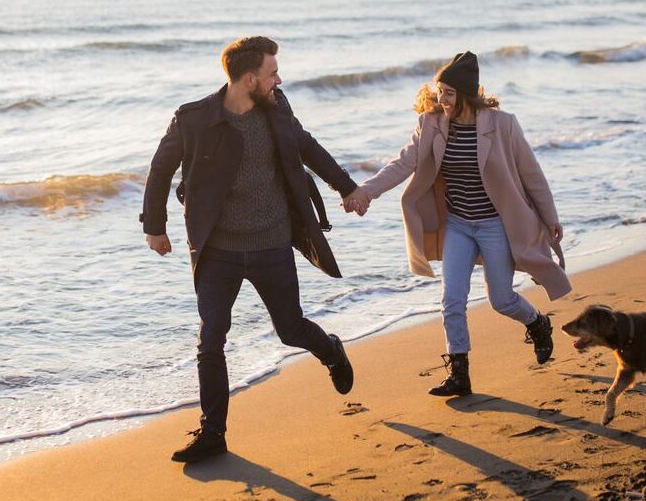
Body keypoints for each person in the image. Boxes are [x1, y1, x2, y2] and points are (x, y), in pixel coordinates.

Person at [141, 36, 359, 463]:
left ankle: (331, 350)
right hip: (217, 250)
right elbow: (160, 168)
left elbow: (309, 147)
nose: (278, 79)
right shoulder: (194, 120)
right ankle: (213, 433)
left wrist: (348, 189)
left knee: (291, 328)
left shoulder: (276, 109)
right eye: (271, 73)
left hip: (271, 242)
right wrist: (155, 227)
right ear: (247, 79)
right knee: (211, 339)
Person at [342, 51, 570, 396]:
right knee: (452, 299)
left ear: (466, 94)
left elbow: (530, 174)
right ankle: (459, 374)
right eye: (439, 91)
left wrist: (550, 216)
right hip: (458, 224)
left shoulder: (502, 124)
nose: (441, 99)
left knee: (502, 300)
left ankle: (538, 323)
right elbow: (402, 164)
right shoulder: (431, 123)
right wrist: (365, 192)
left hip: (495, 225)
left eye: (449, 93)